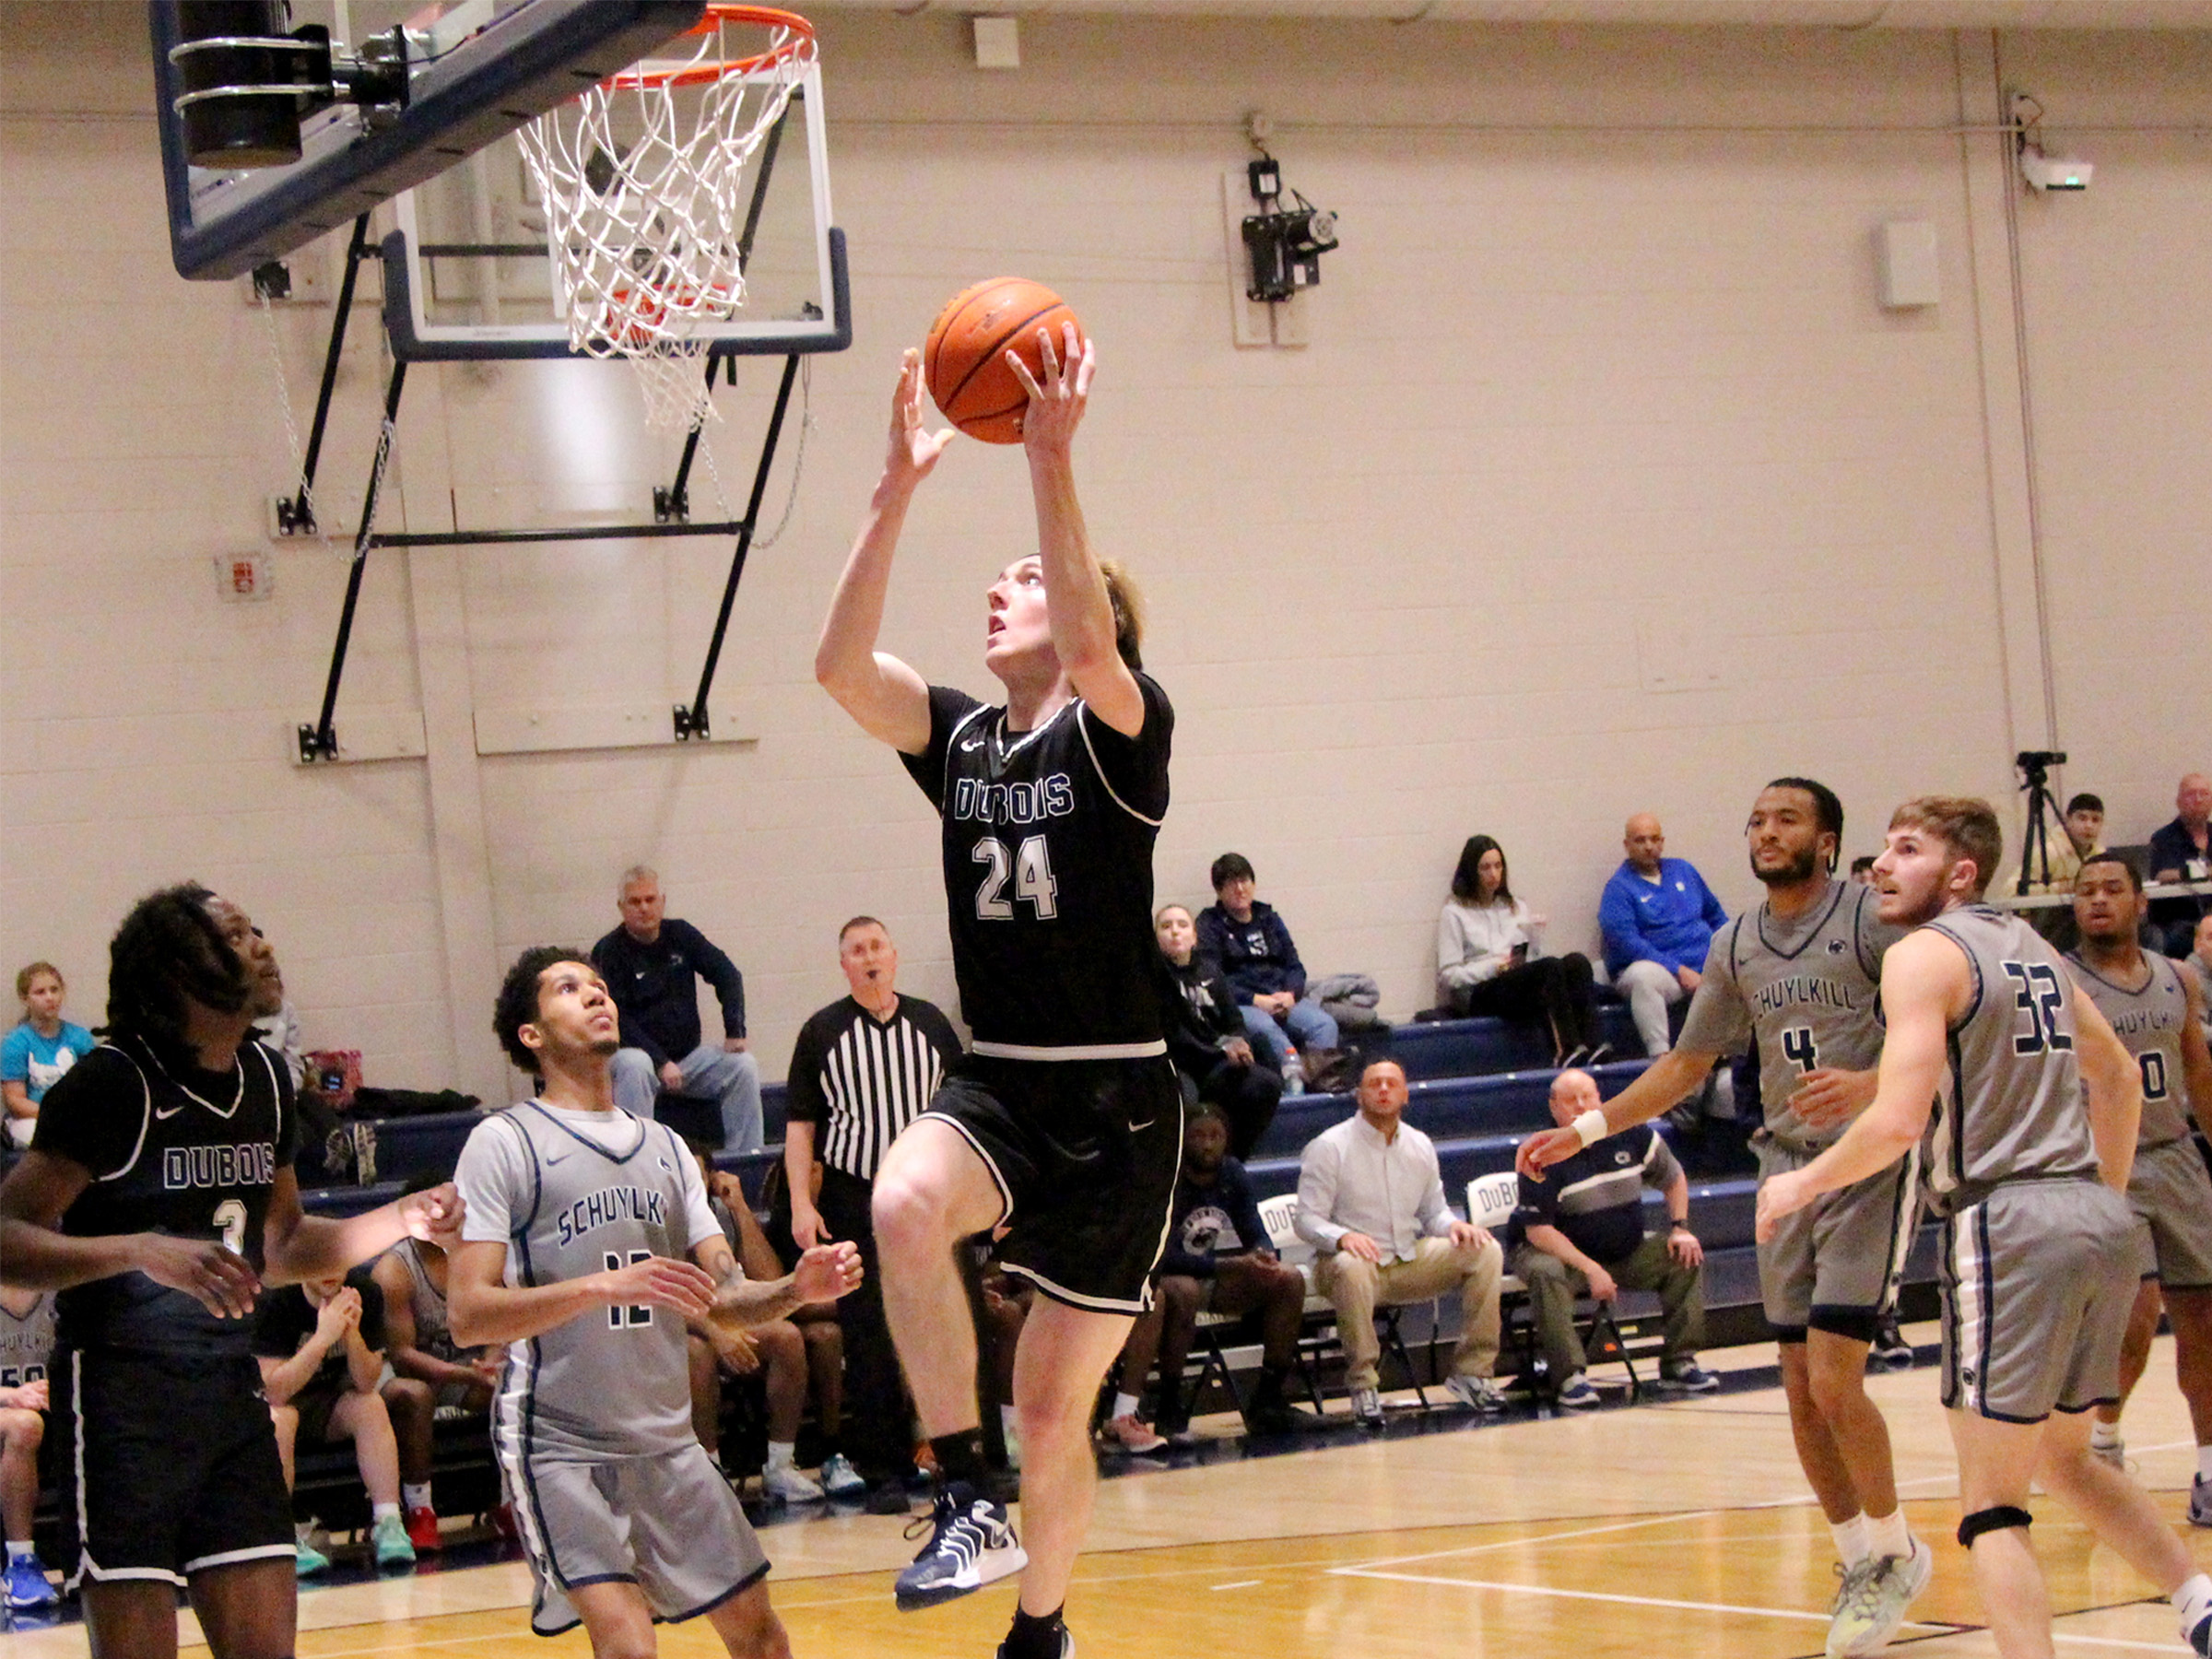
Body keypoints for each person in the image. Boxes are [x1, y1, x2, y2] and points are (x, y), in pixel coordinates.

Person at [817, 326, 1179, 1659]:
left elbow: (1091, 643)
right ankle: (959, 1492)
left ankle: (1042, 1627)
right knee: (903, 1200)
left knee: (1053, 1408)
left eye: (1027, 577)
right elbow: (841, 674)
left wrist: (1049, 461)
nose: (1003, 588)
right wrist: (893, 492)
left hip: (1122, 1103)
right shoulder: (965, 738)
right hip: (1004, 1077)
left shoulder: (1125, 726)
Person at [1759, 796, 2212, 1659]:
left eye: (1905, 850)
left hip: (2006, 1223)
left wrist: (1801, 1184)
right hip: (2095, 1216)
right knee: (2069, 1459)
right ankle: (2198, 1600)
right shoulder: (2033, 946)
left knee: (1992, 1505)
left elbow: (1897, 1124)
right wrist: (2100, 1199)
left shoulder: (1923, 955)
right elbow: (2118, 1081)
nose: (1880, 866)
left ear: (1960, 873)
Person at [0, 884, 462, 1659]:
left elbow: (280, 1247)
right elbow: (6, 1234)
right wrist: (138, 1249)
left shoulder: (267, 1079)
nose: (264, 947)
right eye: (240, 935)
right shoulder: (115, 1081)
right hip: (122, 1400)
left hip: (230, 1392)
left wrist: (399, 1221)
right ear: (182, 967)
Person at [1519, 779, 1925, 1659]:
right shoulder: (1737, 941)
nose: (1767, 831)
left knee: (1834, 1378)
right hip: (1782, 1165)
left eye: (1787, 820)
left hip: (1863, 1162)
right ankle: (1857, 1558)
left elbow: (1940, 1022)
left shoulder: (1870, 920)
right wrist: (1582, 1130)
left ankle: (1897, 1551)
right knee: (1797, 1386)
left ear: (1826, 840)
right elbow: (1686, 1066)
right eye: (1756, 820)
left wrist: (1878, 1082)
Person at [448, 947, 863, 1654]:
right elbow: (467, 1315)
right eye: (569, 989)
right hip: (560, 1444)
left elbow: (725, 1298)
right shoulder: (503, 1142)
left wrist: (799, 1287)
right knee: (631, 1648)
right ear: (532, 1035)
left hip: (668, 1442)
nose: (596, 996)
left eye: (600, 987)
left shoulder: (667, 1148)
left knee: (763, 1640)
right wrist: (602, 1285)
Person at [782, 915, 963, 1513]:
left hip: (927, 1195)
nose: (869, 957)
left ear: (894, 953)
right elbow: (801, 1128)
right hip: (854, 1196)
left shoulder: (932, 1025)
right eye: (856, 950)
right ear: (843, 964)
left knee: (952, 1328)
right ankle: (883, 1470)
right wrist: (802, 1205)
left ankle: (966, 1466)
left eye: (876, 946)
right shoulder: (822, 1032)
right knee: (869, 1340)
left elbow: (964, 1111)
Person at [2062, 854, 2212, 1504]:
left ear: (2140, 903)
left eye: (2112, 889)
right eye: (2086, 891)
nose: (2099, 900)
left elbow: (2199, 1076)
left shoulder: (2178, 978)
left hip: (2175, 1157)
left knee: (2203, 1322)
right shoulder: (2059, 981)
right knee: (2136, 1315)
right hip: (2104, 1165)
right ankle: (2104, 1440)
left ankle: (2208, 1468)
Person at [1296, 1058, 1507, 1425]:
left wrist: (1455, 1226)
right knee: (1351, 1266)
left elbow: (1434, 1213)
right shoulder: (1329, 1146)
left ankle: (1472, 1372)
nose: (1382, 1089)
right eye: (1374, 1083)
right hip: (1346, 1267)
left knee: (1484, 1250)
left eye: (1391, 1083)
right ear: (1359, 1095)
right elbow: (1306, 1219)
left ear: (1405, 1095)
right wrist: (1343, 1237)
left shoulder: (1420, 1144)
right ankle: (1363, 1385)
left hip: (1406, 1260)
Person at [1102, 1105, 1323, 1449]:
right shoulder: (1167, 1177)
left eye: (1215, 1136)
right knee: (1185, 1290)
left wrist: (1262, 1254)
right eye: (1199, 1136)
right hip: (1162, 1278)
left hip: (1210, 1277)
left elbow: (1255, 1231)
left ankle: (1269, 1398)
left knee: (1288, 1278)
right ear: (1183, 1140)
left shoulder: (1232, 1174)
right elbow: (1162, 1257)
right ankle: (1170, 1405)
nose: (1208, 1145)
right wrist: (1231, 1266)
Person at [1508, 1069, 1716, 1406]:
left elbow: (1674, 1177)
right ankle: (1570, 1376)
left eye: (1587, 1097)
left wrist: (1681, 1227)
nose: (1580, 1106)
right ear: (1554, 1107)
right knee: (1546, 1271)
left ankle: (1680, 1362)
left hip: (1624, 1249)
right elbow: (1539, 1231)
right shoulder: (1542, 1153)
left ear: (1600, 1099)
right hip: (1559, 1254)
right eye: (1570, 1100)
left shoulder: (1633, 1135)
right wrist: (1590, 1268)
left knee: (1683, 1257)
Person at [688, 1145, 853, 1505]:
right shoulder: (659, 1221)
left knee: (786, 1336)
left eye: (700, 1178)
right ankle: (711, 1470)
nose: (694, 1187)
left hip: (723, 1315)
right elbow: (666, 1301)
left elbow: (768, 1279)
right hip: (677, 1327)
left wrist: (740, 1209)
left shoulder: (718, 1217)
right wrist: (718, 1333)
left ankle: (779, 1466)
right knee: (696, 1352)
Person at [252, 1265, 421, 1572]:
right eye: (319, 1260)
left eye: (337, 1259)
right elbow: (274, 1390)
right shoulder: (276, 1299)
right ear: (301, 1263)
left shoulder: (363, 1292)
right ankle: (283, 1535)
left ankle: (388, 1523)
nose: (329, 1269)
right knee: (280, 1420)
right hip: (279, 1405)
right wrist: (323, 1338)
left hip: (327, 1404)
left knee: (370, 1406)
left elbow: (368, 1381)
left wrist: (351, 1334)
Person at [372, 1172, 506, 1552]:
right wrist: (469, 1373)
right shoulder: (394, 1270)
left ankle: (512, 1500)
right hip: (414, 1375)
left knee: (517, 1383)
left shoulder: (481, 1255)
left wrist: (493, 1363)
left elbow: (501, 1320)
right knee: (414, 1397)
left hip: (468, 1372)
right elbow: (402, 1355)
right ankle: (420, 1510)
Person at [594, 866, 765, 1151]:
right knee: (635, 1064)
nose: (644, 908)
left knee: (743, 1065)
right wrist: (660, 1062)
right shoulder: (609, 951)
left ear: (662, 902)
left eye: (650, 900)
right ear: (622, 908)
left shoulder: (681, 935)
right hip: (637, 1064)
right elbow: (616, 1018)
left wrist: (735, 1030)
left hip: (688, 1062)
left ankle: (745, 1163)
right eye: (635, 902)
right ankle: (638, 1158)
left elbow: (728, 975)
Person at [1436, 835, 1604, 1065]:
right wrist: (1495, 967)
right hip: (1479, 990)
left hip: (1514, 980)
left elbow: (1535, 960)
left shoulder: (1515, 905)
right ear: (1471, 871)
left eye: (1498, 866)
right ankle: (1566, 1047)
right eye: (1485, 868)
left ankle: (1594, 1044)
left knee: (1577, 962)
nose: (1493, 874)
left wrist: (1535, 940)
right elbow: (1449, 975)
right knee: (1549, 968)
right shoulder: (1454, 912)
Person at [1195, 854, 1345, 1092]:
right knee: (1266, 1029)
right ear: (1219, 890)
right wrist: (1254, 1000)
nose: (1240, 889)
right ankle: (1295, 1093)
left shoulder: (1269, 918)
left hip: (1282, 997)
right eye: (1231, 883)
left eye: (1244, 881)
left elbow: (1295, 965)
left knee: (1324, 1024)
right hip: (1243, 1004)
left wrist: (1291, 994)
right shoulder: (1209, 925)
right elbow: (1212, 979)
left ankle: (1324, 1087)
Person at [1157, 903, 1283, 1158]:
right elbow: (1175, 1036)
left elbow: (1234, 1021)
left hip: (1217, 1062)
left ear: (1194, 937)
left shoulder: (1211, 972)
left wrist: (1239, 1044)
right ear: (1156, 938)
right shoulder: (1154, 977)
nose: (1174, 932)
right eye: (1166, 926)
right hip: (1178, 1064)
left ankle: (1233, 1158)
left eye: (1182, 925)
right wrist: (1222, 1050)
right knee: (1186, 1104)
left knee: (1266, 1084)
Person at [1600, 814, 1729, 1060]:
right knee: (1643, 976)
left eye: (1654, 839)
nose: (1648, 846)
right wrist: (1679, 970)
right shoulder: (1618, 888)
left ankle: (1737, 1057)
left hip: (1705, 966)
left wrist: (1733, 949)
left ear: (1662, 842)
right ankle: (1661, 1059)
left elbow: (1715, 915)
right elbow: (1626, 943)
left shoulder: (1684, 870)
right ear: (1627, 845)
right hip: (1665, 974)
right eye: (1640, 840)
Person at [0, 1283, 59, 1609]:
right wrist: (12, 1395)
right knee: (23, 1424)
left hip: (47, 1418)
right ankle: (21, 1562)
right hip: (11, 1416)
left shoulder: (60, 1291)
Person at [2, 962, 95, 1151]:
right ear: (25, 998)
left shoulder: (80, 1037)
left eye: (54, 990)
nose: (50, 998)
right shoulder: (15, 1043)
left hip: (75, 1118)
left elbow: (93, 1088)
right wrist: (55, 1114)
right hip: (31, 1120)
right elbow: (14, 1101)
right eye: (40, 992)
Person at [2151, 773, 2212, 957]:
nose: (2198, 800)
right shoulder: (2163, 838)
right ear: (2178, 801)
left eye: (2204, 794)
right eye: (2191, 794)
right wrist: (2205, 871)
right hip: (2180, 921)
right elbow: (2163, 875)